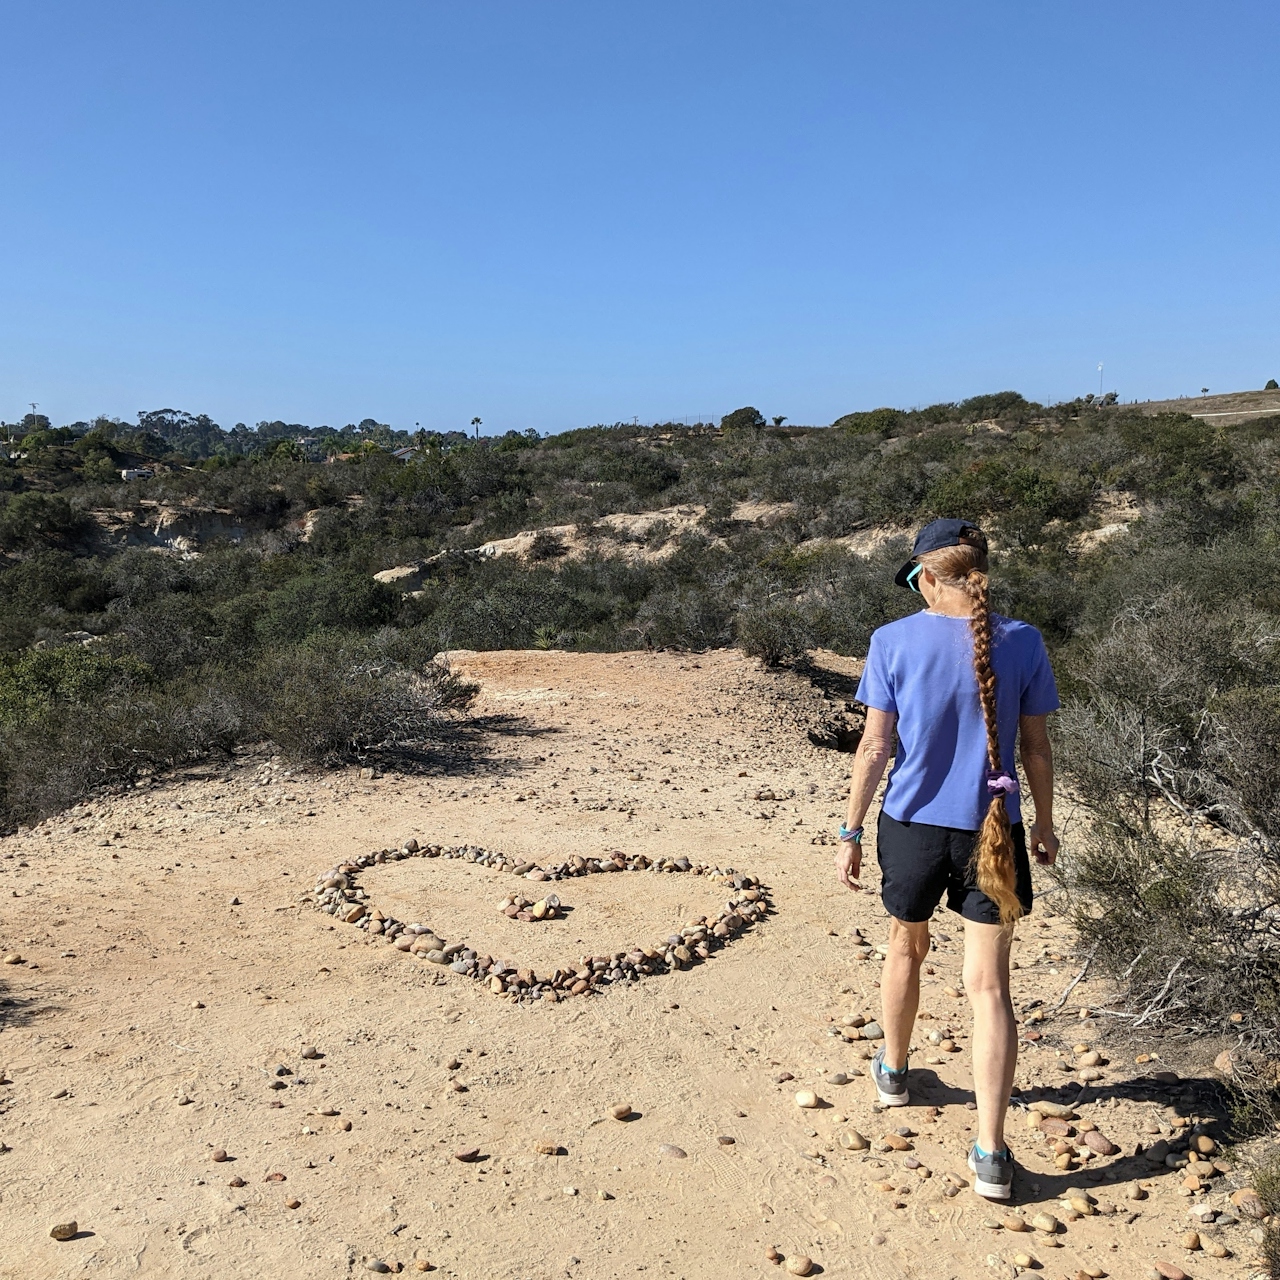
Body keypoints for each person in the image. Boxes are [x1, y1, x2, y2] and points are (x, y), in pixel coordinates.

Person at [834, 517, 1060, 1201]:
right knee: (989, 988)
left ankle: (895, 1073)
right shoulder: (1023, 641)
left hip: (911, 828)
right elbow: (1037, 749)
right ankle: (992, 1152)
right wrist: (1044, 824)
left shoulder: (892, 640)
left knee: (905, 949)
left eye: (913, 579)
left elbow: (874, 748)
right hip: (995, 830)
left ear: (927, 577)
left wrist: (848, 830)